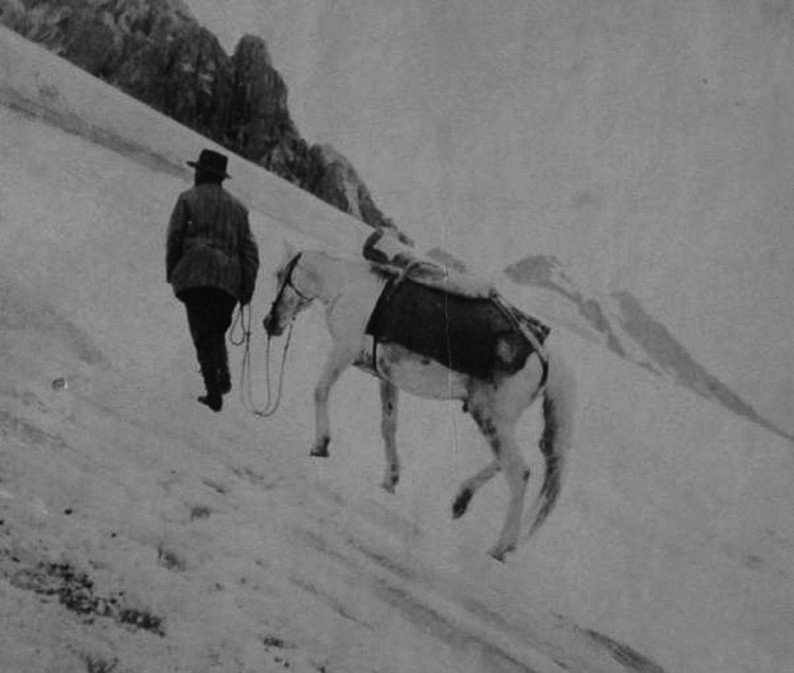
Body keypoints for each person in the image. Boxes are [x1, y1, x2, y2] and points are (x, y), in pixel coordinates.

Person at [166, 149, 260, 412]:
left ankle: (214, 392)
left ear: (202, 173)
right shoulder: (239, 210)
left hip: (195, 275)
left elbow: (174, 238)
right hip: (228, 283)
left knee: (201, 333)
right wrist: (246, 290)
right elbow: (250, 253)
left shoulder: (188, 199)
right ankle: (223, 377)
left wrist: (173, 270)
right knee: (215, 330)